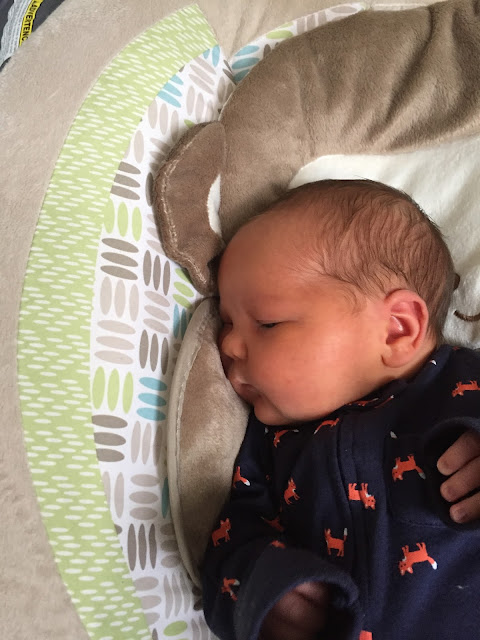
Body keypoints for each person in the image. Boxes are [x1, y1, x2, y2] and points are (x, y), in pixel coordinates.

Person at [201, 180, 480, 640]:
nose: (228, 344)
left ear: (397, 329)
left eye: (267, 323)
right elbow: (229, 539)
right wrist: (267, 590)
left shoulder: (461, 383)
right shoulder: (268, 446)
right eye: (227, 321)